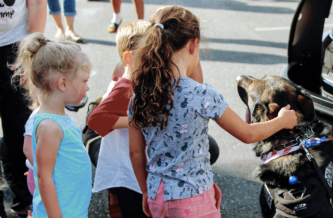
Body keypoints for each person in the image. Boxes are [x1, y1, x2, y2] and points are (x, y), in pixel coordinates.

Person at [128, 6, 298, 218]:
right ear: (193, 44)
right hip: (193, 198)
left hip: (157, 195)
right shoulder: (202, 95)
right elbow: (247, 134)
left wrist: (146, 191)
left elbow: (135, 152)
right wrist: (282, 121)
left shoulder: (140, 95)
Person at [11, 33, 93, 217]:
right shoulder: (50, 126)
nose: (87, 88)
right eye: (84, 81)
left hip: (72, 207)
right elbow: (44, 177)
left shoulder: (58, 117)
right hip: (62, 212)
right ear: (63, 83)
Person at [87, 20, 151, 218]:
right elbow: (95, 120)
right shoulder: (126, 87)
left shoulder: (139, 79)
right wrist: (136, 121)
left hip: (130, 166)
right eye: (150, 54)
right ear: (129, 57)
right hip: (125, 172)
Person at [0, 0, 46, 216]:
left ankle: (25, 201)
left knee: (19, 129)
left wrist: (31, 53)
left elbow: (36, 2)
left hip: (15, 46)